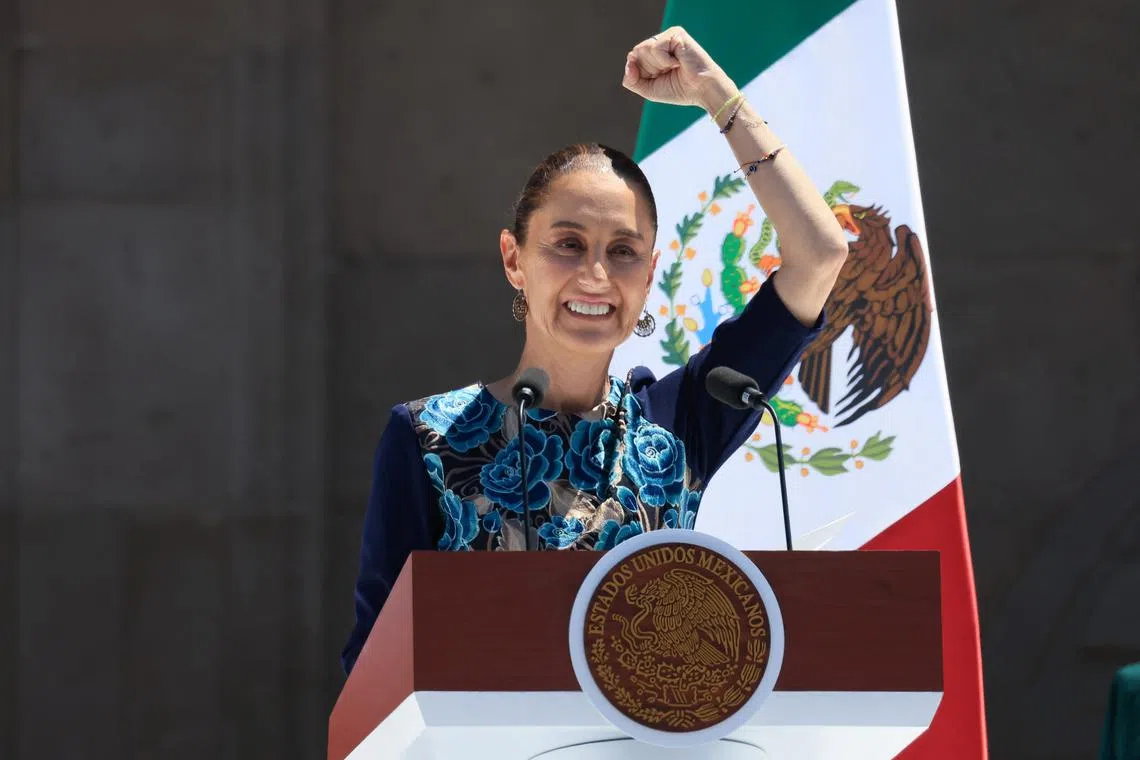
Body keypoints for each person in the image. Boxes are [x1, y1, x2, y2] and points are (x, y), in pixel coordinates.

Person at [341, 26, 849, 675]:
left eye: (623, 252)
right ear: (513, 259)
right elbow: (372, 670)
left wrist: (716, 97)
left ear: (650, 272)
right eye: (568, 244)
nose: (595, 277)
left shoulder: (682, 419)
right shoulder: (425, 438)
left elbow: (820, 254)